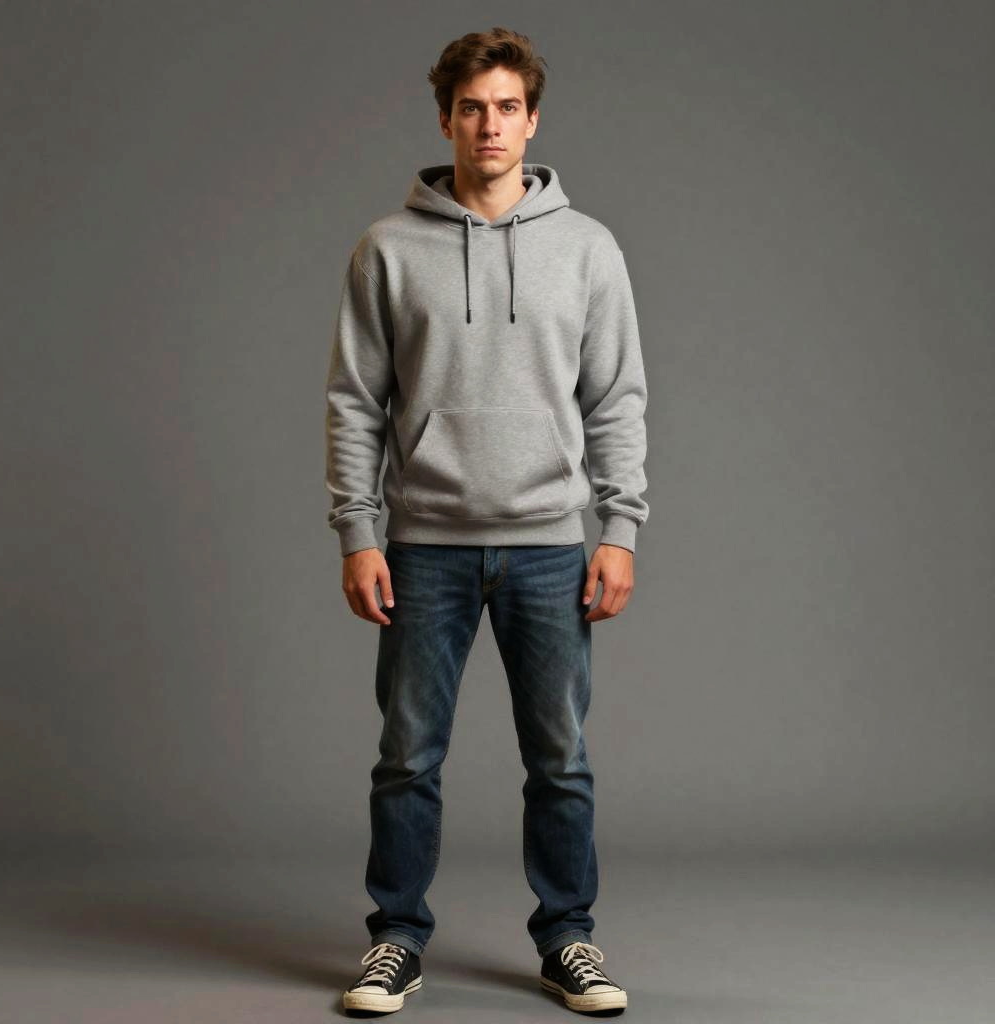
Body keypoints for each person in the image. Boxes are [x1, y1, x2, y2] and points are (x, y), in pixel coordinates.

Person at [326, 25, 648, 1017]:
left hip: (551, 546)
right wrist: (358, 534)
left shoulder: (587, 248)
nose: (490, 125)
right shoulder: (387, 249)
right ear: (445, 120)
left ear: (533, 119)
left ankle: (568, 940)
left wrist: (619, 529)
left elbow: (617, 399)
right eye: (472, 108)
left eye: (508, 107)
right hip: (423, 548)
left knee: (560, 760)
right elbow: (354, 403)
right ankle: (395, 942)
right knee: (406, 759)